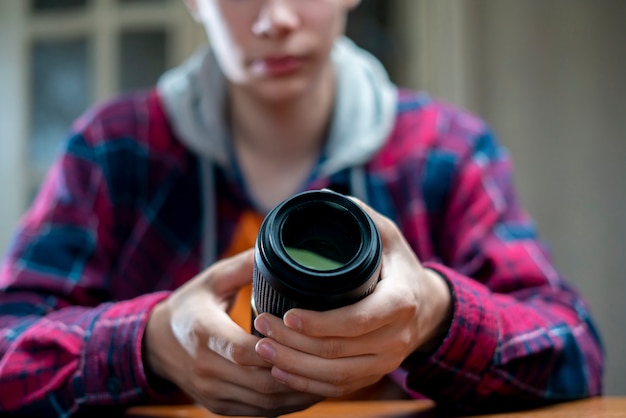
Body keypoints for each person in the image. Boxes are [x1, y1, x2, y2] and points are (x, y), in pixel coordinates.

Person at [0, 0, 604, 416]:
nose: (276, 20)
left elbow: (574, 349)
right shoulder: (113, 150)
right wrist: (149, 342)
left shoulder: (447, 150)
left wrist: (435, 314)